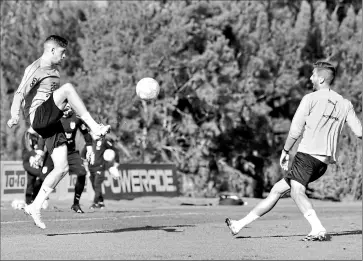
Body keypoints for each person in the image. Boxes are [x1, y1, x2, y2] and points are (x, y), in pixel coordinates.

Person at [225, 61, 362, 241]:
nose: (310, 78)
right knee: (277, 190)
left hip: (307, 156)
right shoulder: (346, 104)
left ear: (321, 79)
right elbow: (360, 132)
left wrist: (285, 150)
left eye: (313, 75)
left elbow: (296, 129)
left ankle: (318, 229)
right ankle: (239, 225)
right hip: (323, 163)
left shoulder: (310, 99)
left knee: (297, 192)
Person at [7, 35, 110, 229]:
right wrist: (14, 116)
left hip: (51, 121)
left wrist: (65, 109)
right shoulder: (35, 68)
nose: (64, 57)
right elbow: (20, 93)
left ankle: (35, 206)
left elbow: (51, 99)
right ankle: (94, 127)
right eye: (62, 53)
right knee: (69, 89)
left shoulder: (55, 71)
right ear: (52, 50)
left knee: (62, 168)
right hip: (37, 117)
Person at [34, 104, 95, 213]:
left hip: (71, 152)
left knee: (82, 173)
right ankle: (36, 202)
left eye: (69, 106)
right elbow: (43, 134)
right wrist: (39, 152)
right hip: (55, 152)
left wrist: (90, 149)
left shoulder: (76, 118)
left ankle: (76, 204)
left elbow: (86, 133)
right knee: (42, 177)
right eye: (65, 107)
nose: (67, 109)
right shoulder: (54, 117)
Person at [81, 133, 120, 209]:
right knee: (94, 186)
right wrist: (86, 170)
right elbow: (83, 156)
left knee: (97, 184)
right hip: (90, 168)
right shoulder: (89, 143)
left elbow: (115, 150)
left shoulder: (104, 142)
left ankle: (95, 203)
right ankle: (101, 202)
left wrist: (116, 163)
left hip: (100, 167)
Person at [22, 127, 46, 205]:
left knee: (39, 178)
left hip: (36, 161)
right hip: (29, 162)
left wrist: (41, 155)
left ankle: (33, 198)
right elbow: (28, 147)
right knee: (31, 179)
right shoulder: (27, 134)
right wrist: (35, 154)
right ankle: (29, 201)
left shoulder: (38, 135)